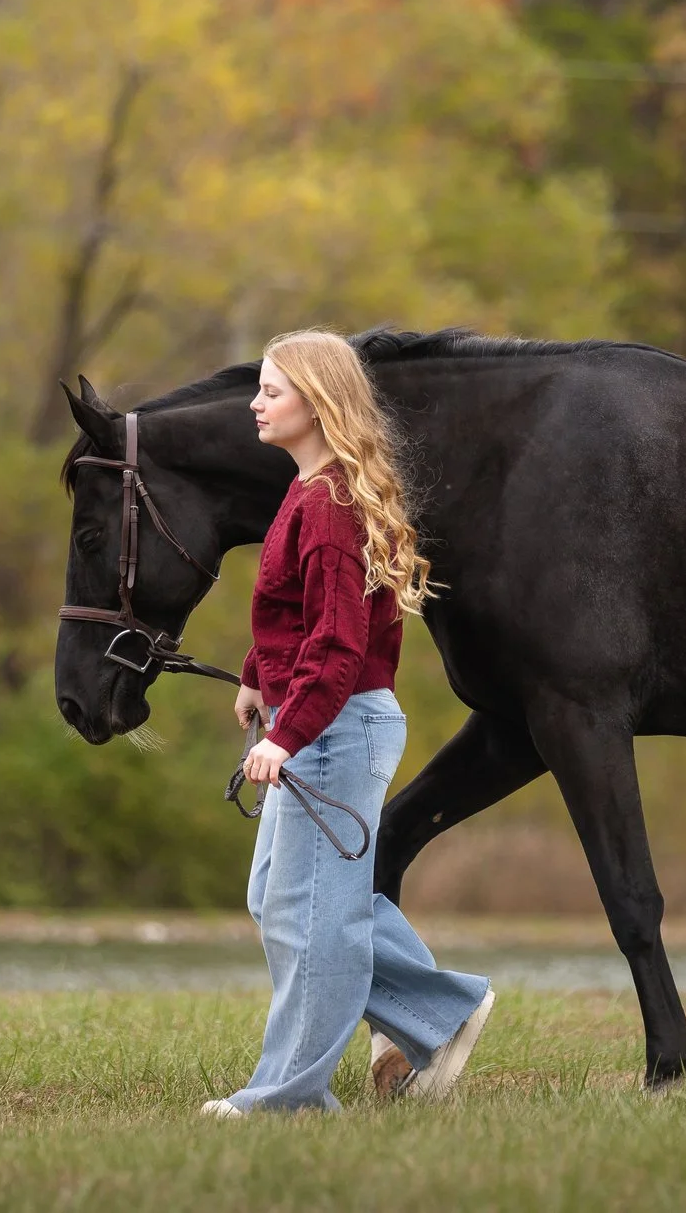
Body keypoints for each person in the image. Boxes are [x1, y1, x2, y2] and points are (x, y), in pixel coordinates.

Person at [201, 329, 496, 1117]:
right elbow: (302, 615)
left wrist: (283, 735)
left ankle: (287, 1095)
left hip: (336, 728)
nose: (255, 401)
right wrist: (257, 674)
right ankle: (443, 1009)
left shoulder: (329, 504)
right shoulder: (307, 491)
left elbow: (339, 647)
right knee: (281, 897)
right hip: (321, 718)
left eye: (272, 389)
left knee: (314, 918)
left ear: (318, 401)